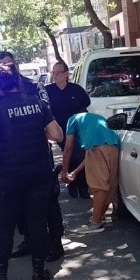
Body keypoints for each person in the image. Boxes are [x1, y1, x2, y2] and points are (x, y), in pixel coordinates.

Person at [0, 62, 64, 280]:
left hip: (11, 174)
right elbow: (57, 134)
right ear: (18, 81)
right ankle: (38, 272)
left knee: (5, 225)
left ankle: (0, 276)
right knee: (37, 222)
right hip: (39, 172)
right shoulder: (36, 103)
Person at [61, 112, 120, 234]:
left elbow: (68, 148)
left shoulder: (71, 120)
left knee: (99, 187)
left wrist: (64, 171)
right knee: (110, 183)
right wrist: (75, 172)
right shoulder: (95, 118)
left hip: (96, 147)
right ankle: (100, 217)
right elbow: (90, 157)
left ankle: (95, 223)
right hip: (114, 144)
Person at [45, 61, 91, 198]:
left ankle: (82, 186)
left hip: (77, 128)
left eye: (58, 72)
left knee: (79, 155)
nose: (56, 75)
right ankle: (72, 183)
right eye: (54, 72)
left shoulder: (75, 89)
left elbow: (86, 102)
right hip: (60, 129)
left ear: (66, 74)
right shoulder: (48, 90)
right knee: (69, 155)